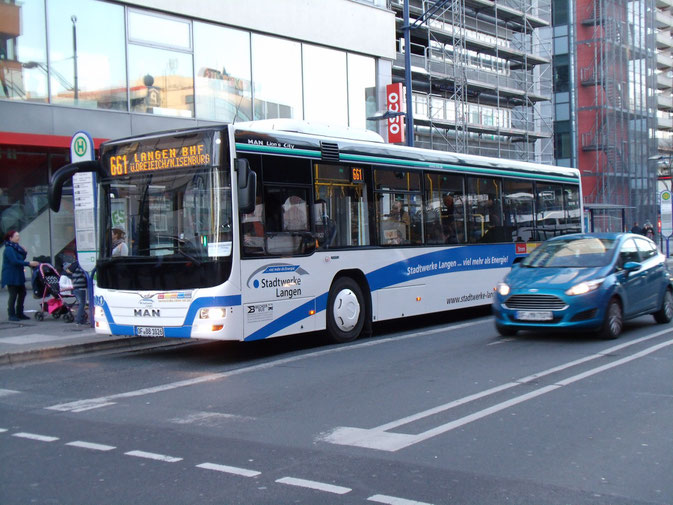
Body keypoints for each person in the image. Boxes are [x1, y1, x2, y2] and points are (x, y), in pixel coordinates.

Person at [1, 230, 39, 321]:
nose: (18, 237)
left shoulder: (16, 247)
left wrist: (24, 253)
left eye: (18, 236)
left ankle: (20, 313)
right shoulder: (9, 249)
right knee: (13, 295)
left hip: (18, 274)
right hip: (11, 275)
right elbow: (14, 261)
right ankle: (11, 314)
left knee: (22, 293)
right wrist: (29, 263)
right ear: (11, 238)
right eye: (16, 236)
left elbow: (20, 259)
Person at [64, 260, 88, 327]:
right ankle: (79, 320)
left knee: (81, 303)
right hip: (81, 287)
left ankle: (82, 319)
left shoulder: (74, 268)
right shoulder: (80, 267)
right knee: (82, 304)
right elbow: (85, 275)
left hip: (76, 287)